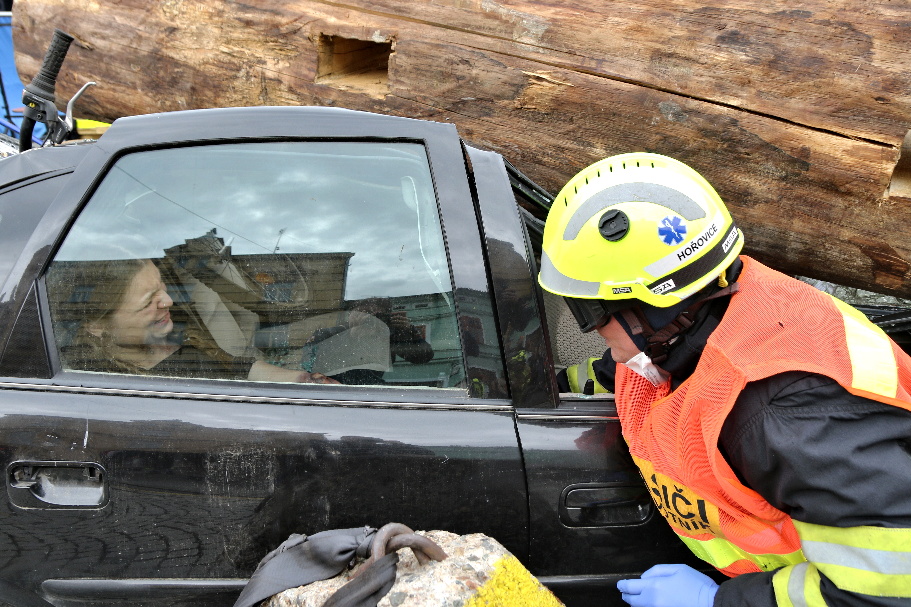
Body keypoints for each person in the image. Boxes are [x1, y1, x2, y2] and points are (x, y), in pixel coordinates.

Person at [538, 152, 911, 607]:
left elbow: (891, 586)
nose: (593, 330)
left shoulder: (783, 412)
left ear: (654, 306)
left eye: (588, 310)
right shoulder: (690, 330)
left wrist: (718, 603)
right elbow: (616, 374)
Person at [47, 257, 337, 384]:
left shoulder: (174, 339)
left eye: (162, 288)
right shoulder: (103, 384)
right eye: (148, 301)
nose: (168, 301)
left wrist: (304, 380)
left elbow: (235, 368)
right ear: (97, 325)